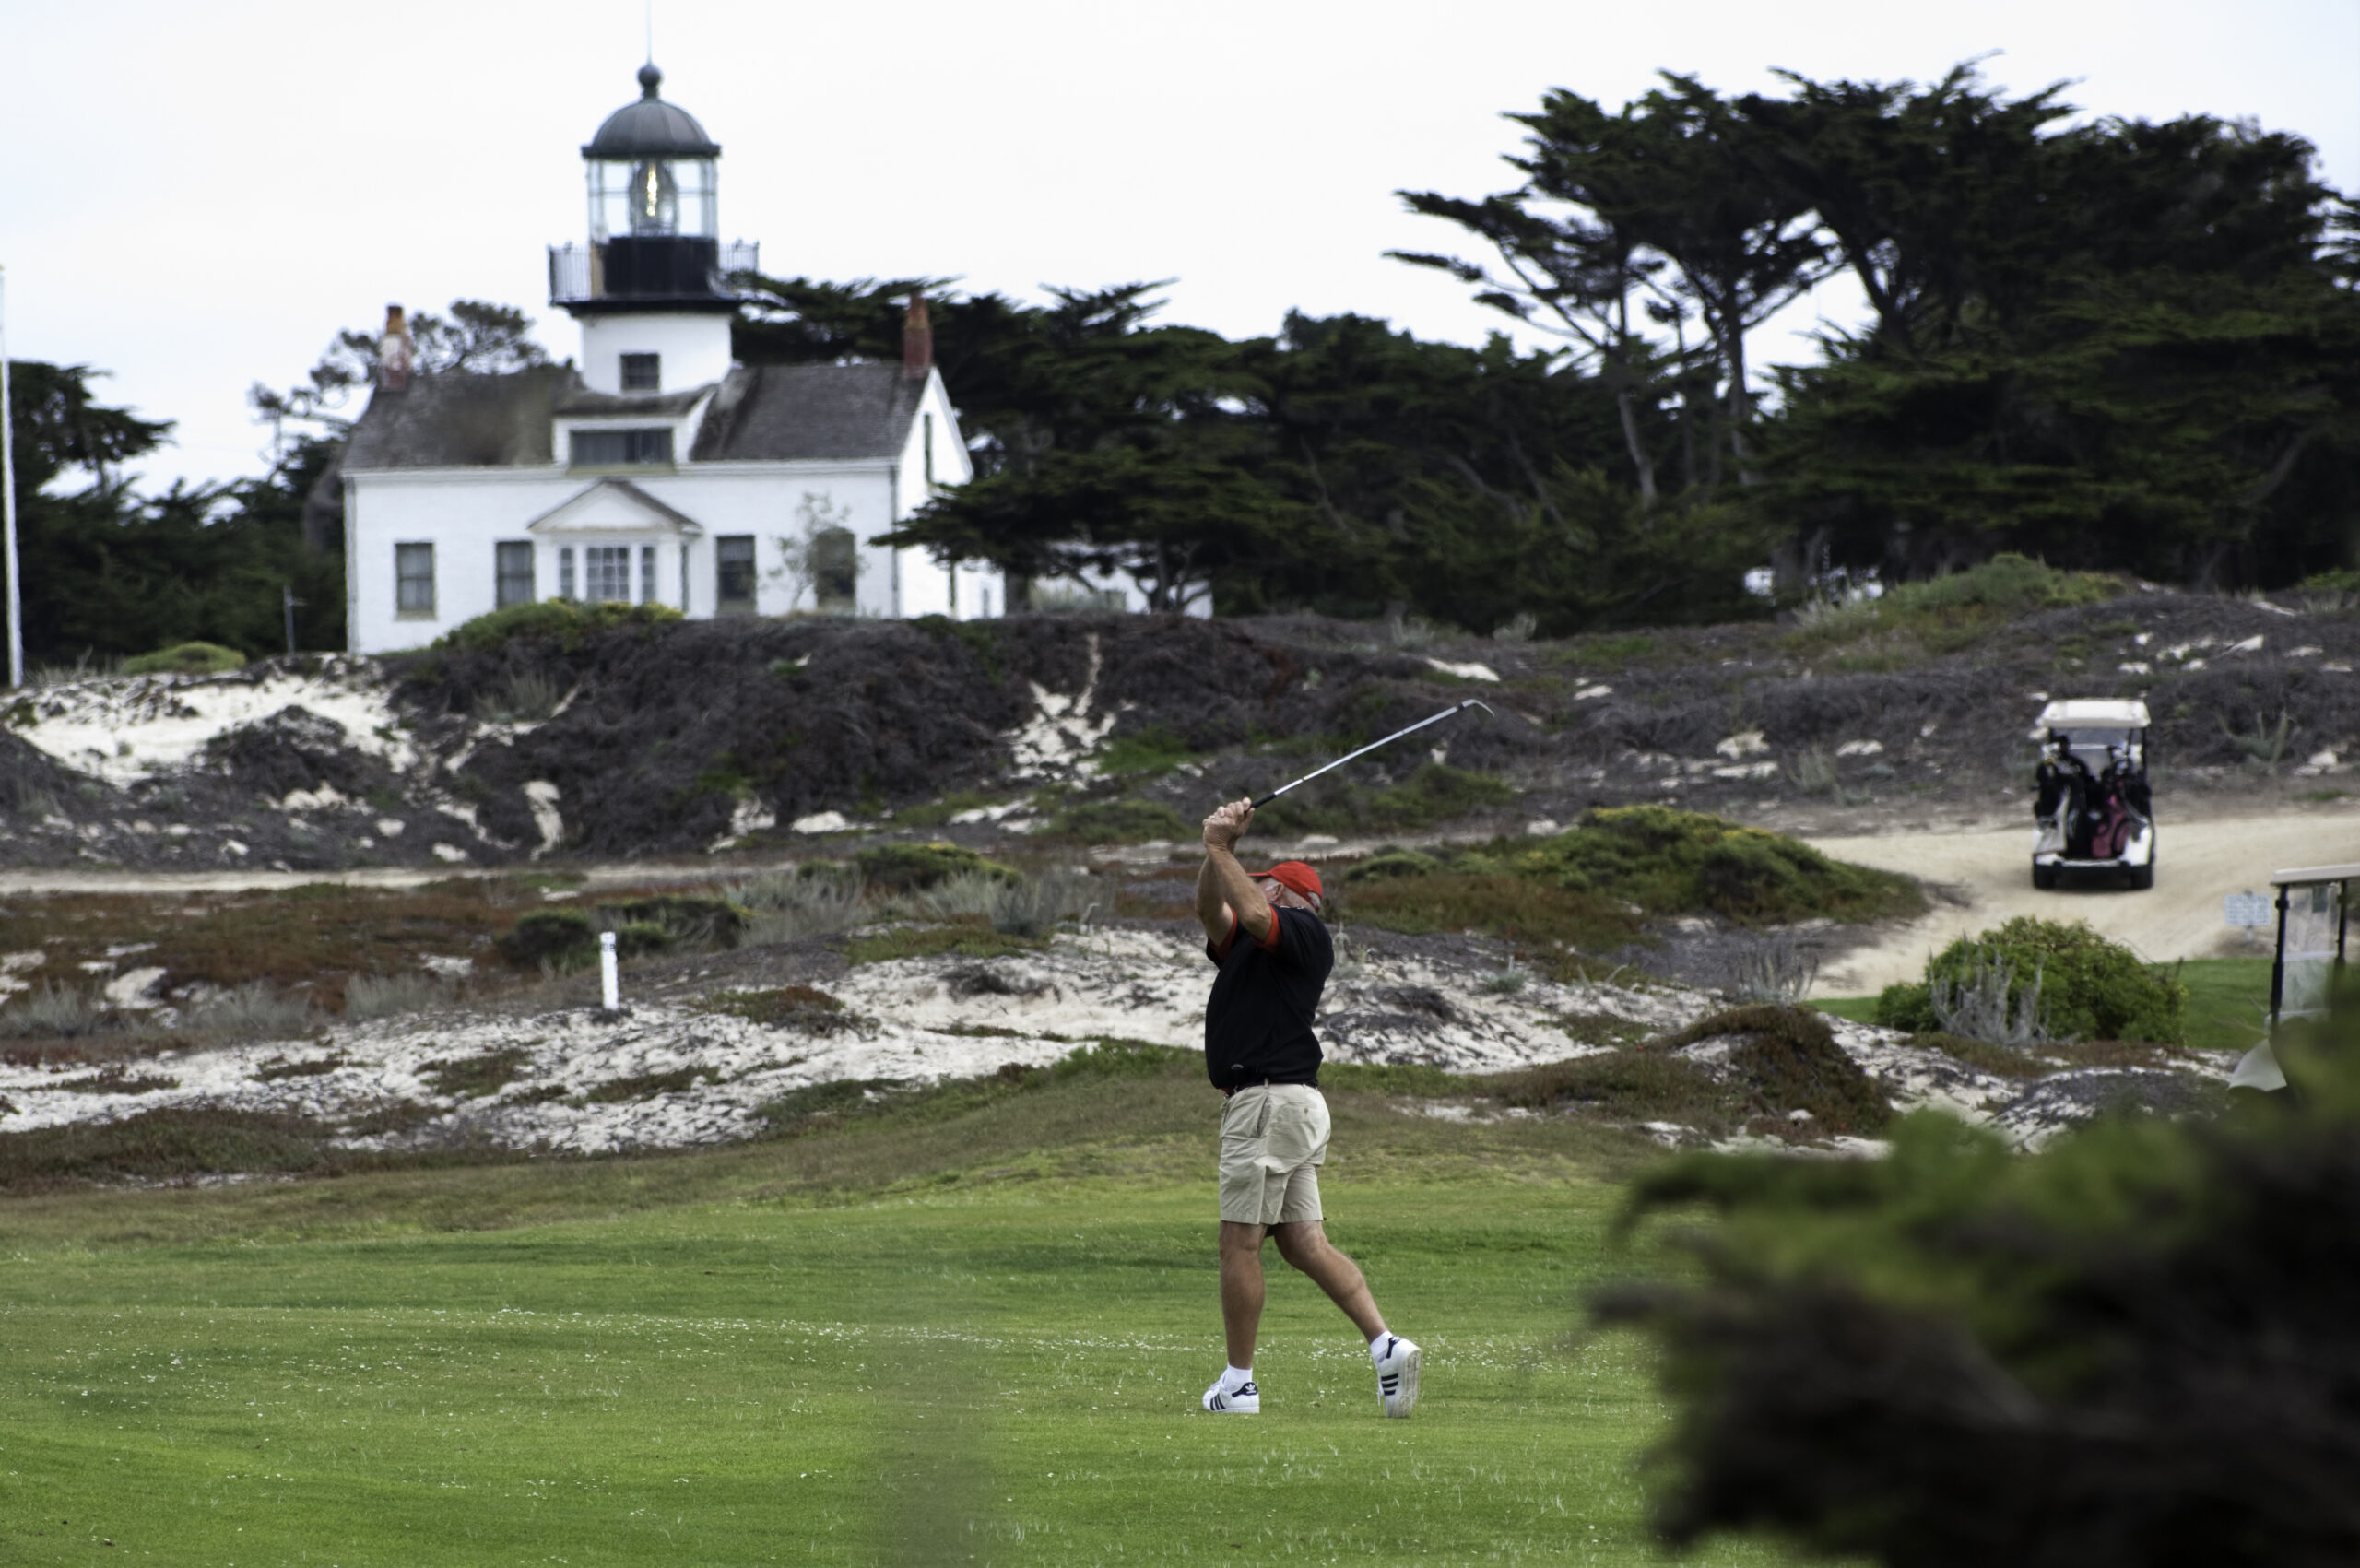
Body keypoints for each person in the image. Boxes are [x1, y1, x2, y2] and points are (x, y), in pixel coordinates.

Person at [1193, 796, 1420, 1418]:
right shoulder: (1246, 942)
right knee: (1302, 1243)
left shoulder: (1302, 931)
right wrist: (1217, 850)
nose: (1250, 885)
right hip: (1286, 1105)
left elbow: (1256, 912)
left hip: (1267, 1103)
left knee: (1239, 1243)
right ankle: (1387, 1344)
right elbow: (1211, 909)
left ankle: (1238, 1384)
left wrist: (1221, 850)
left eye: (1261, 879)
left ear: (1287, 891)